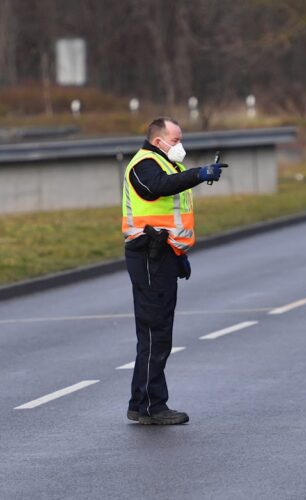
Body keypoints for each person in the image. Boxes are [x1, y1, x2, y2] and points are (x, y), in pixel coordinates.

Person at [121, 117, 225, 425]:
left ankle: (140, 403)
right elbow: (156, 189)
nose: (180, 145)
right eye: (175, 139)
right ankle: (153, 405)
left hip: (162, 253)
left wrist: (177, 253)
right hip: (148, 255)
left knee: (155, 331)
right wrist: (199, 174)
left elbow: (170, 217)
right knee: (156, 332)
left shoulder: (167, 164)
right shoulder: (144, 165)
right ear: (158, 141)